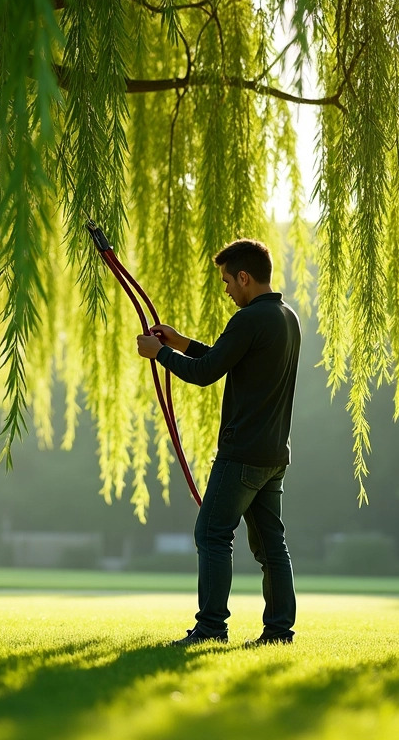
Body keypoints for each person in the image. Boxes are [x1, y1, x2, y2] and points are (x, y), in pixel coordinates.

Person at [136, 238, 301, 647]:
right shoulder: (286, 317)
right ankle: (279, 631)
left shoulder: (247, 320)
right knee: (271, 546)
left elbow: (207, 372)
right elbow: (224, 358)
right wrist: (179, 343)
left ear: (244, 277)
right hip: (273, 454)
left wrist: (159, 354)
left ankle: (211, 627)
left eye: (228, 281)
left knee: (211, 534)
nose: (226, 289)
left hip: (241, 453)